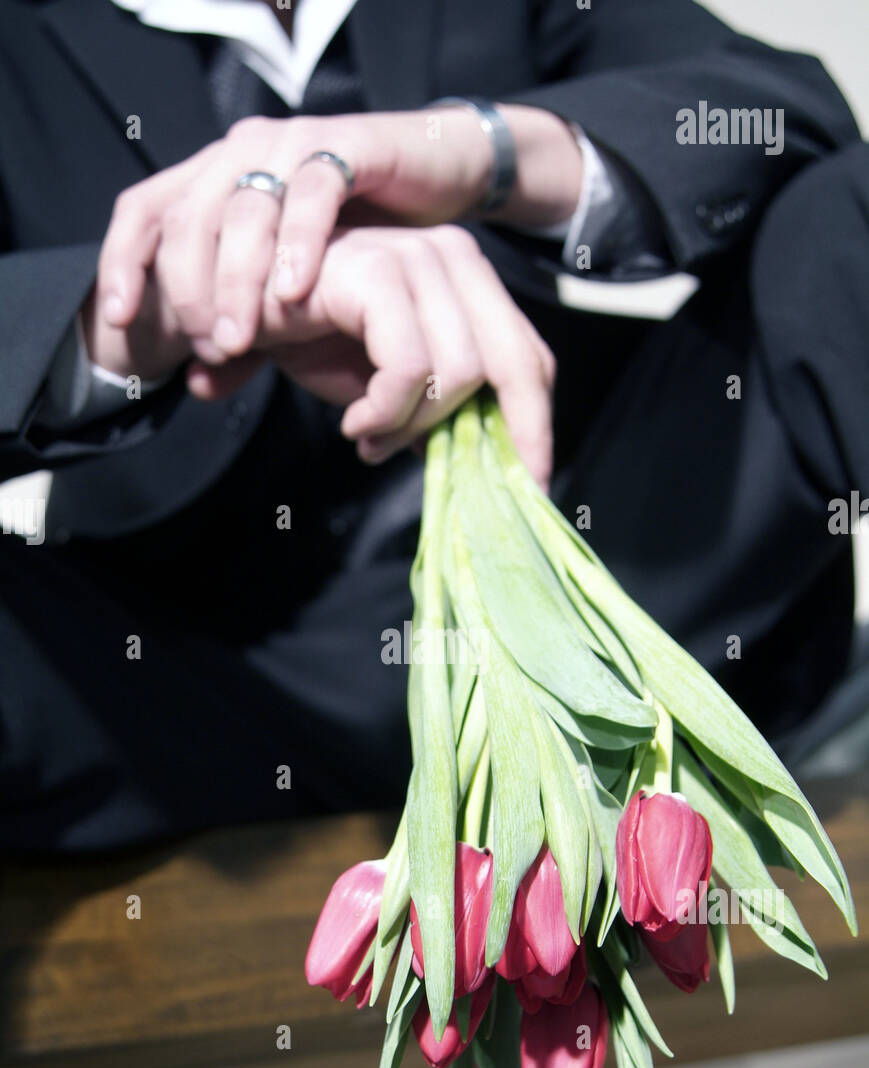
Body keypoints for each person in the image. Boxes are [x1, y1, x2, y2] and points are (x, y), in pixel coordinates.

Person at [0, 0, 862, 851]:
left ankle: (719, 727)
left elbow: (772, 111)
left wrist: (474, 151)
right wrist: (142, 309)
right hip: (194, 680)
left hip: (597, 577)